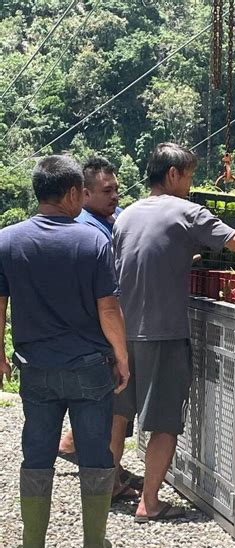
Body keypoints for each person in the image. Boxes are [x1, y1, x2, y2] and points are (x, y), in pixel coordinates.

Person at [113, 142, 235, 522]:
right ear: (173, 174)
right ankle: (149, 502)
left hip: (123, 331)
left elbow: (137, 259)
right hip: (163, 332)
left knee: (118, 413)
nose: (191, 184)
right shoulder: (188, 212)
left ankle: (108, 484)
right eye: (188, 176)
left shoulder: (128, 214)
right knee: (165, 420)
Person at [0, 155, 129, 548]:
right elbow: (108, 309)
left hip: (35, 368)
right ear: (74, 192)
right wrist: (123, 358)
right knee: (95, 453)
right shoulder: (93, 242)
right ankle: (94, 547)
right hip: (90, 368)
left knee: (37, 452)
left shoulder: (8, 241)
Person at [57, 157, 141, 501]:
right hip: (98, 327)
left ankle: (75, 445)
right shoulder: (89, 231)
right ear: (84, 193)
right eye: (107, 191)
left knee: (108, 402)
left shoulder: (112, 219)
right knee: (109, 402)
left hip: (105, 323)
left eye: (117, 189)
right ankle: (107, 475)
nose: (115, 196)